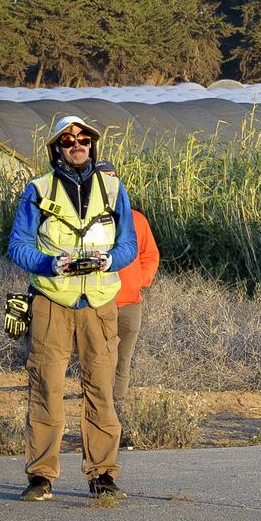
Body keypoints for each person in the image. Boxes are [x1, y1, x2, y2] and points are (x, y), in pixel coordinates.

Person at [8, 115, 137, 502]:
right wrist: (51, 264)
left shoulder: (114, 189)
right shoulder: (38, 189)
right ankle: (41, 477)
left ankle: (103, 477)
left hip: (99, 304)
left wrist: (108, 261)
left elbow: (128, 245)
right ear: (57, 148)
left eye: (83, 139)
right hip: (51, 302)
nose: (76, 144)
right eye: (68, 140)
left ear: (92, 146)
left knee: (101, 390)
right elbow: (18, 246)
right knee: (46, 388)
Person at [96, 164, 159, 412]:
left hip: (131, 303)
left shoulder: (136, 219)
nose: (110, 182)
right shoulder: (88, 221)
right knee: (101, 360)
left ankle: (117, 409)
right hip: (101, 301)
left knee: (123, 360)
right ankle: (99, 408)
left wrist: (140, 279)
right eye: (104, 178)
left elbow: (150, 254)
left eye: (113, 178)